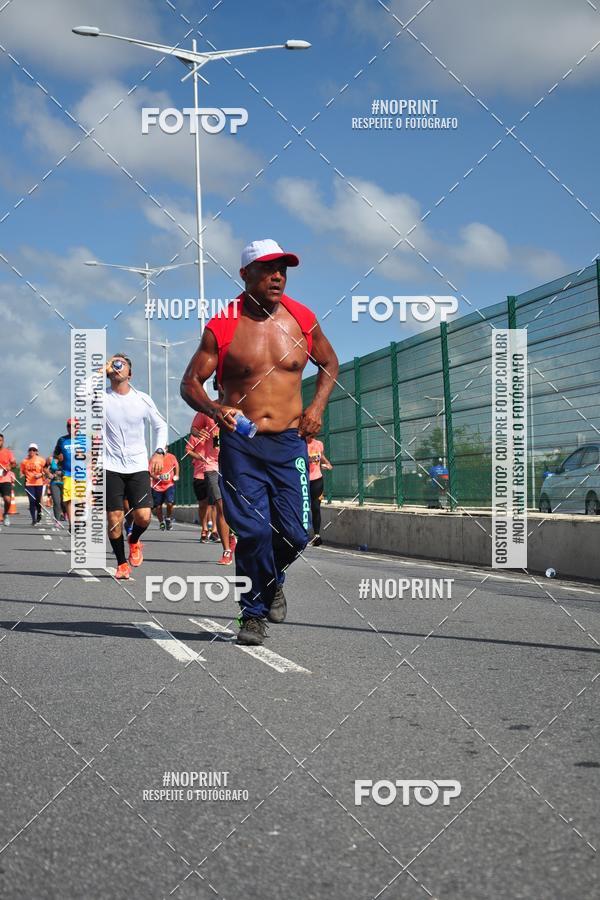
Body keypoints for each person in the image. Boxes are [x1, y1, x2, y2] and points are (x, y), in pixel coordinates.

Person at [181, 238, 339, 645]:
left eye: (282, 269)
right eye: (268, 269)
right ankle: (252, 615)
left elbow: (329, 363)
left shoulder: (302, 318)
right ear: (245, 275)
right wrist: (217, 410)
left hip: (289, 444)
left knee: (298, 533)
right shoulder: (223, 325)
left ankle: (271, 579)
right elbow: (190, 384)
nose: (277, 277)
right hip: (242, 445)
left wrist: (317, 407)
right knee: (251, 532)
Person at [104, 352, 168, 579]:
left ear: (130, 374)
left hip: (138, 465)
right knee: (114, 519)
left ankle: (134, 540)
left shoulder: (142, 399)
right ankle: (121, 564)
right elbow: (81, 396)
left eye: (121, 365)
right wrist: (101, 369)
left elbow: (160, 426)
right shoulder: (101, 398)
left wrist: (159, 452)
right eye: (113, 365)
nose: (117, 368)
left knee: (143, 516)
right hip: (110, 466)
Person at [185, 405, 236, 565]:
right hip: (211, 466)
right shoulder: (207, 408)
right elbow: (193, 429)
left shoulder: (239, 407)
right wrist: (198, 432)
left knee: (232, 506)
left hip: (234, 465)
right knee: (219, 506)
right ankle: (226, 550)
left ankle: (232, 534)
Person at [306, 434, 333, 546]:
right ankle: (301, 534)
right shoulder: (300, 444)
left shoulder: (319, 444)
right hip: (304, 480)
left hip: (317, 480)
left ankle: (317, 536)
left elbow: (321, 456)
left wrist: (327, 463)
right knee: (303, 507)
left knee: (316, 507)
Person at [53, 419, 77, 530]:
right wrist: (55, 463)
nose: (71, 428)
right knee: (69, 499)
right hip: (67, 473)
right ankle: (72, 524)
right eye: (69, 425)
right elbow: (55, 455)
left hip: (81, 474)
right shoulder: (62, 440)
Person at [151, 445, 179, 531]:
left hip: (169, 484)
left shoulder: (171, 457)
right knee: (158, 506)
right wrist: (158, 477)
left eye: (165, 448)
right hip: (157, 486)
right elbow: (150, 472)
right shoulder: (153, 458)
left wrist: (176, 475)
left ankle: (168, 518)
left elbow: (176, 466)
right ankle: (161, 522)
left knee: (170, 503)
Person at [20, 443, 47, 526]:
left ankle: (39, 512)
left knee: (37, 501)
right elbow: (22, 471)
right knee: (32, 501)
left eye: (34, 450)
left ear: (36, 451)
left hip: (39, 483)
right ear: (28, 451)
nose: (32, 451)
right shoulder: (24, 461)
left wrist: (41, 474)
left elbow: (46, 471)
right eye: (30, 450)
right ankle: (33, 519)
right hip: (29, 484)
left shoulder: (41, 460)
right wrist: (21, 474)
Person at [0, 434, 17, 525]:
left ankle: (6, 514)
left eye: (0, 440)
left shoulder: (7, 452)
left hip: (5, 479)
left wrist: (9, 466)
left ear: (3, 441)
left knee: (7, 500)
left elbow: (14, 464)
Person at [46, 456, 65, 523]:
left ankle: (63, 513)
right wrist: (48, 474)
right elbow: (45, 468)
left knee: (64, 502)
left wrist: (62, 473)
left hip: (65, 483)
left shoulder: (68, 459)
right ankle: (57, 520)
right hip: (54, 483)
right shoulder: (51, 459)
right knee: (56, 501)